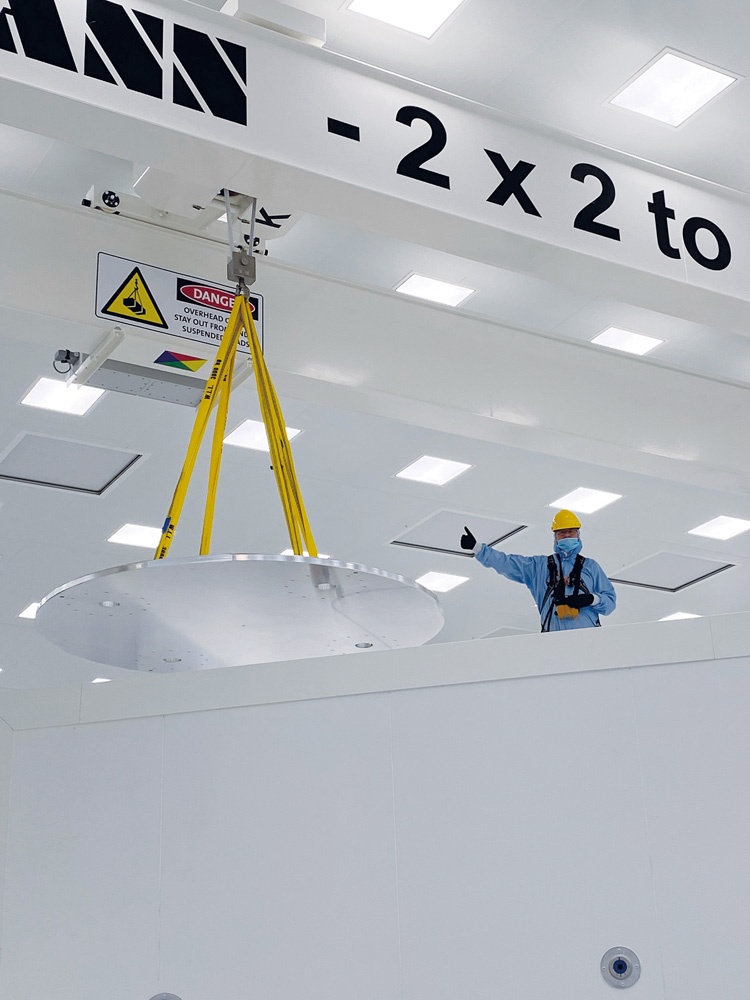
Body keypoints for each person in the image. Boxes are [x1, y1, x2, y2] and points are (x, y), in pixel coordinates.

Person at [460, 509, 616, 632]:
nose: (567, 535)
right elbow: (507, 563)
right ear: (555, 536)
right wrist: (477, 548)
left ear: (578, 534)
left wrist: (592, 599)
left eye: (571, 531)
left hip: (587, 639)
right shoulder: (539, 567)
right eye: (562, 532)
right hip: (553, 640)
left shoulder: (590, 567)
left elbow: (610, 602)